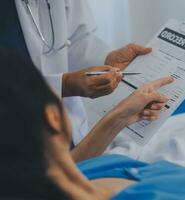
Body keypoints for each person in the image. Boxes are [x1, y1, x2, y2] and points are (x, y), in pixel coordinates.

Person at [0, 49, 185, 200]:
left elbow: (63, 167)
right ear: (53, 117)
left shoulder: (56, 178)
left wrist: (118, 116)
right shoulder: (172, 193)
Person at [0, 0, 153, 146]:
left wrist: (106, 59)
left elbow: (74, 38)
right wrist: (65, 85)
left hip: (67, 133)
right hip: (14, 140)